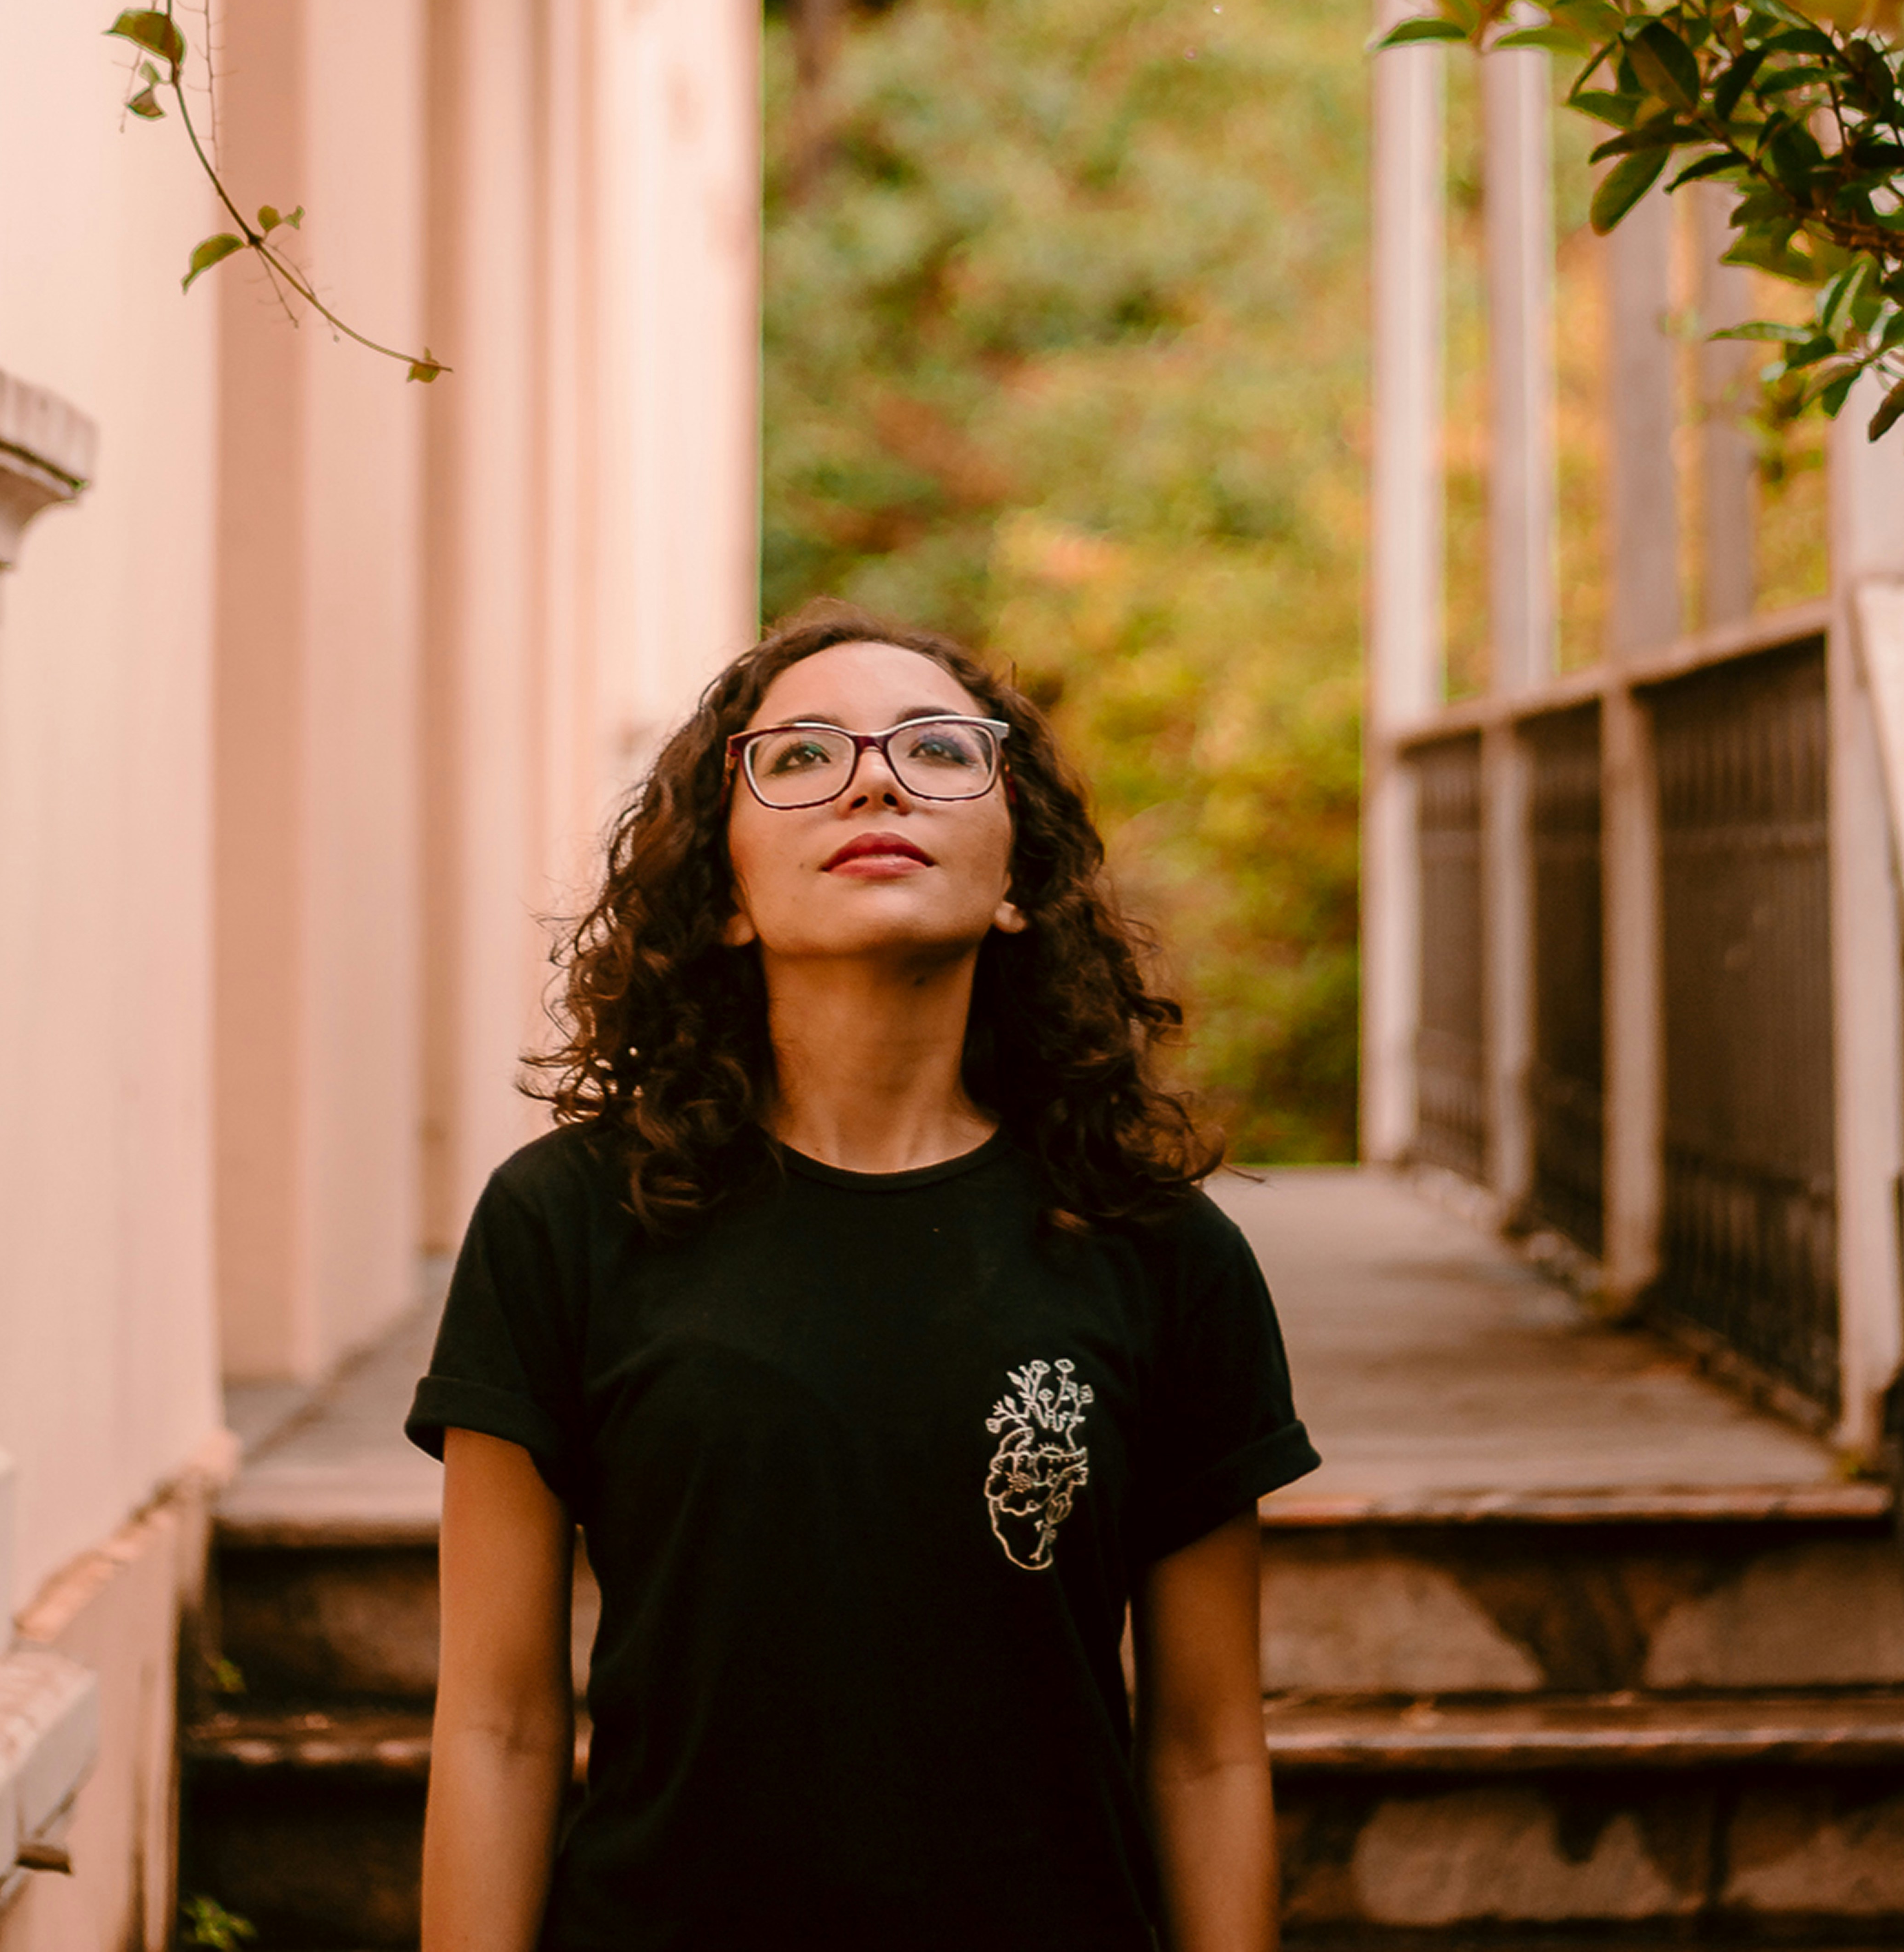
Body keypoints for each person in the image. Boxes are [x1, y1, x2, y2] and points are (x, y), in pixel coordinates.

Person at [408, 602, 1318, 1952]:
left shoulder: (1160, 1253)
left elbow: (1203, 1751)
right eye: (802, 757)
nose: (878, 779)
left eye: (941, 751)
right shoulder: (566, 1223)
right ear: (719, 891)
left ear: (1020, 881)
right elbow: (497, 1723)